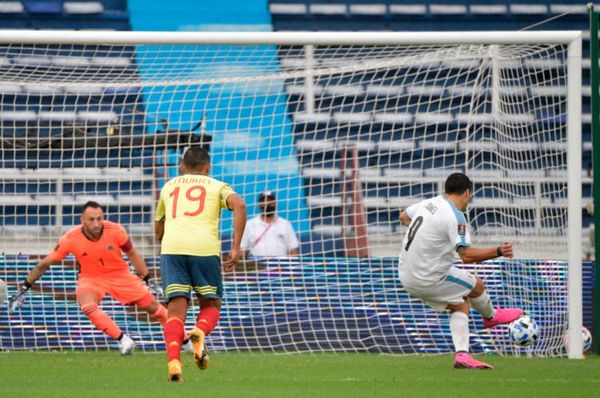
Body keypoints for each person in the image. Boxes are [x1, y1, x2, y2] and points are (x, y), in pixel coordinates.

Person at [8, 201, 167, 355]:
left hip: (120, 275)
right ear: (82, 220)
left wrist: (148, 279)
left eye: (99, 218)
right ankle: (124, 340)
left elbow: (132, 254)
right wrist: (24, 288)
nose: (97, 223)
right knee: (87, 305)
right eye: (91, 219)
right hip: (91, 278)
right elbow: (43, 264)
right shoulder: (70, 238)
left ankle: (187, 341)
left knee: (154, 309)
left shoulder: (116, 231)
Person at [399, 173, 523, 369]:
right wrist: (498, 251)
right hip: (428, 276)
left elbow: (404, 216)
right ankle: (491, 316)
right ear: (467, 193)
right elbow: (466, 256)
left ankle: (462, 356)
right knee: (476, 286)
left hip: (405, 274)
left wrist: (429, 236)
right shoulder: (456, 216)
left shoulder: (429, 203)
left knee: (460, 305)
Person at [155, 147, 246, 382]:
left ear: (182, 167)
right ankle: (200, 331)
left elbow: (159, 228)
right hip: (204, 249)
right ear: (208, 168)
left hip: (172, 248)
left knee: (175, 311)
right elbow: (240, 205)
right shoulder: (217, 186)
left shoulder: (169, 186)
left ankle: (174, 361)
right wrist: (235, 247)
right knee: (211, 304)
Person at [241, 190, 299, 258]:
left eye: (270, 201)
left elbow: (293, 250)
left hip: (280, 266)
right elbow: (242, 248)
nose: (267, 204)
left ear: (275, 203)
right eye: (264, 201)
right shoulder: (250, 224)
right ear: (259, 203)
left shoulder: (285, 224)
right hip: (257, 265)